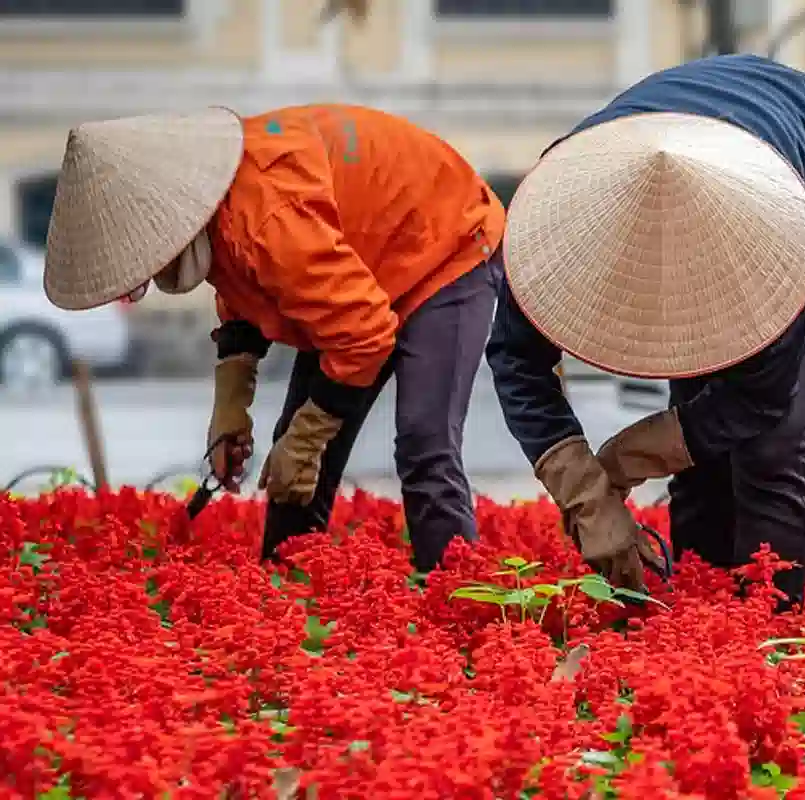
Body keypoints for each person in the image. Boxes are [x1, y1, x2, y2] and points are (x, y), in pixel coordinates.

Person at [487, 54, 805, 609]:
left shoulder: (766, 236)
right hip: (711, 147)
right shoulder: (553, 217)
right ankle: (694, 620)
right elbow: (516, 359)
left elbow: (759, 399)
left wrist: (621, 460)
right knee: (703, 454)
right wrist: (586, 497)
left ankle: (768, 637)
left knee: (769, 448)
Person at [43, 104, 506, 573]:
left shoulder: (265, 218)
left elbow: (363, 335)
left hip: (448, 246)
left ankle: (457, 606)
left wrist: (306, 442)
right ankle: (287, 592)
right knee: (295, 453)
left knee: (423, 446)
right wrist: (230, 408)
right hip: (362, 271)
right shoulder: (221, 210)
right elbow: (243, 289)